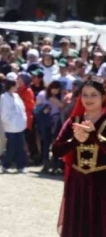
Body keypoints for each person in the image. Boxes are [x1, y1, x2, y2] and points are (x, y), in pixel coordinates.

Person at [52, 75, 106, 237]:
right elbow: (57, 150)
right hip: (77, 183)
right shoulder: (73, 121)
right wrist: (75, 140)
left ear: (103, 97)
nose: (88, 99)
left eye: (94, 95)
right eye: (85, 95)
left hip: (102, 183)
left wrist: (94, 136)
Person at [0, 72, 28, 173]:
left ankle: (20, 166)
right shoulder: (4, 97)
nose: (17, 86)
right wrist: (10, 122)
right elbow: (4, 113)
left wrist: (24, 120)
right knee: (11, 147)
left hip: (19, 126)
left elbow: (22, 109)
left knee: (20, 147)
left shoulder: (16, 96)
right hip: (10, 127)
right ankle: (5, 165)